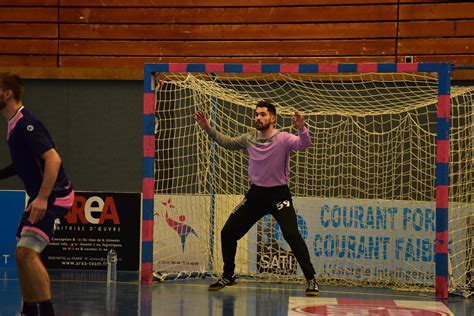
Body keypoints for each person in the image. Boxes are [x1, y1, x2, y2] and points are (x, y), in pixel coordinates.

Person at [195, 100, 319, 296]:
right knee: (228, 232)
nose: (258, 118)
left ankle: (311, 279)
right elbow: (227, 143)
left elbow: (305, 144)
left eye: (262, 114)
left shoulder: (285, 138)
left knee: (292, 235)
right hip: (256, 195)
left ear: (273, 118)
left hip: (279, 195)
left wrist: (301, 127)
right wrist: (208, 128)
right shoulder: (249, 138)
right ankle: (229, 275)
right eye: (256, 114)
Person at [0, 73, 74, 316]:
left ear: (7, 93)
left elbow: (53, 159)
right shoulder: (13, 124)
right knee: (21, 254)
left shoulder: (25, 123)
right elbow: (23, 164)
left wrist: (42, 198)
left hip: (55, 195)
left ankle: (46, 311)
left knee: (27, 253)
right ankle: (30, 311)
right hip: (43, 196)